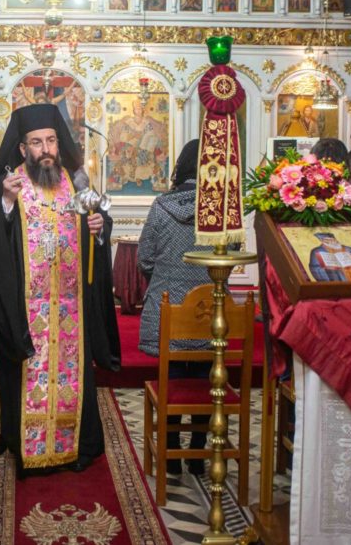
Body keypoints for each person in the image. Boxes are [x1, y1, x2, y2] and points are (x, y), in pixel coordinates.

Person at [0, 103, 119, 477]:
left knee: (75, 374)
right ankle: (27, 448)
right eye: (37, 142)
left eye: (51, 140)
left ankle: (76, 448)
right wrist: (5, 203)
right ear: (23, 149)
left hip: (71, 310)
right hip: (27, 312)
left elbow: (98, 226)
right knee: (25, 374)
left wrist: (99, 230)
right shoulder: (10, 185)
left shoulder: (76, 182)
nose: (47, 149)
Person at [136, 139, 212, 475]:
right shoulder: (218, 211)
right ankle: (197, 454)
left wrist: (168, 276)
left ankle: (171, 457)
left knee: (172, 378)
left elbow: (144, 258)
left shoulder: (161, 207)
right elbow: (234, 250)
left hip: (167, 311)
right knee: (205, 378)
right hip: (210, 313)